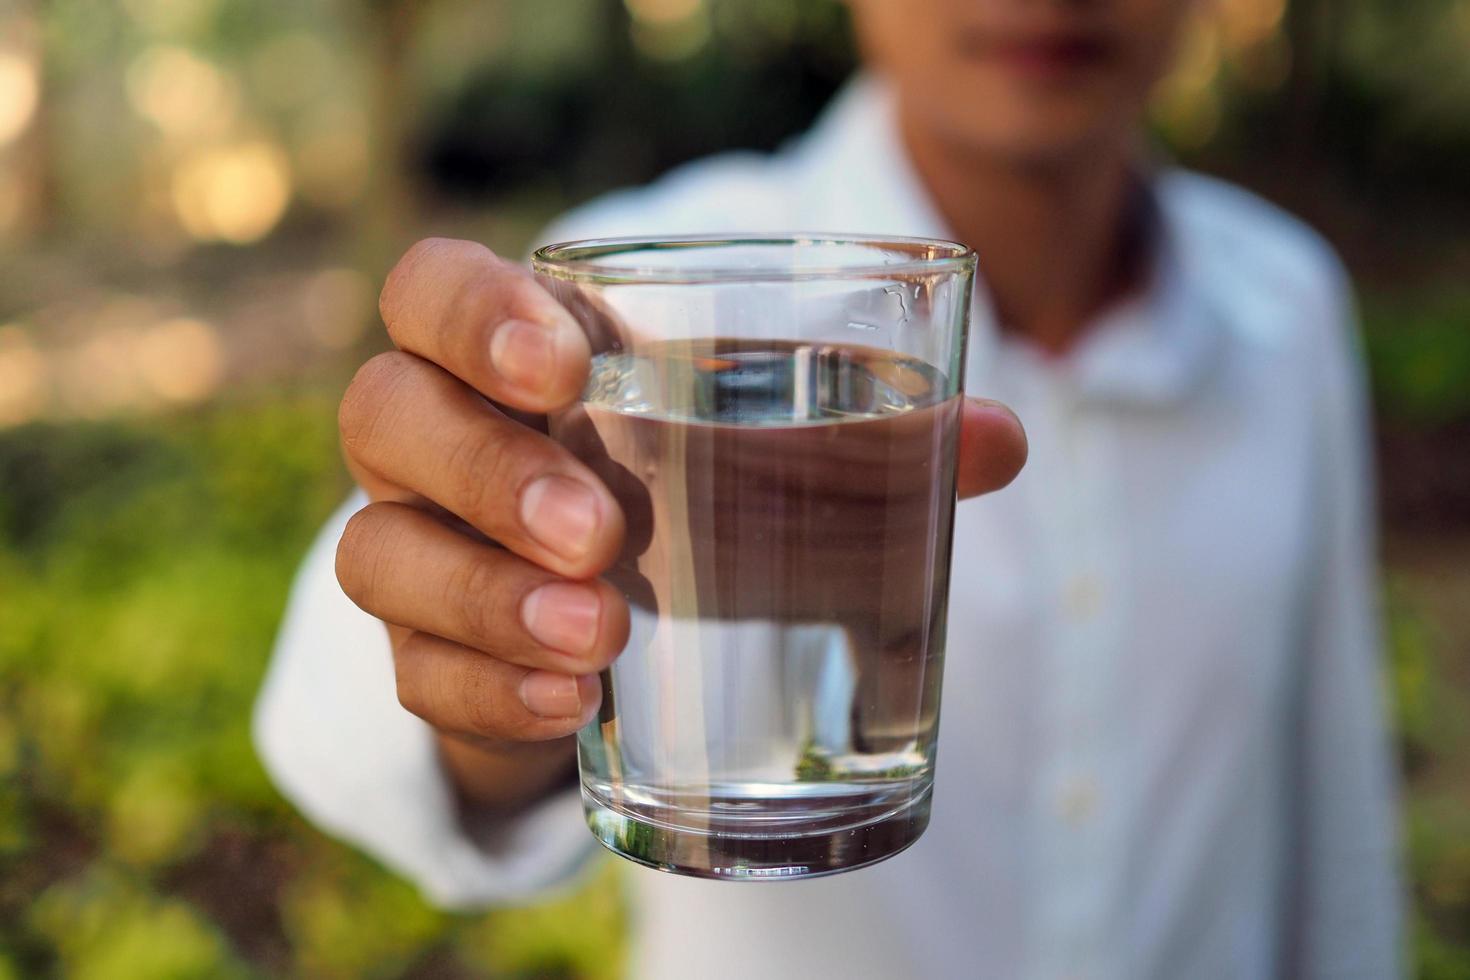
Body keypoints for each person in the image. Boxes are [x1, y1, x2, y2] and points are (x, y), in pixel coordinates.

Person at [255, 0, 1403, 977]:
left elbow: (1333, 813)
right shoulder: (636, 284)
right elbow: (335, 707)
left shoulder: (1286, 308)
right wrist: (501, 678)